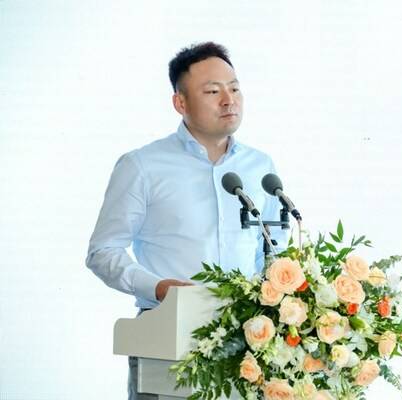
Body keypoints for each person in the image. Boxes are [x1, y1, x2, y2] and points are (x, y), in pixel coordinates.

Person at [86, 42, 287, 400]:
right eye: (212, 91)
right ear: (180, 103)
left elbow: (273, 249)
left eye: (234, 88)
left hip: (248, 345)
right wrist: (158, 287)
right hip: (169, 337)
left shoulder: (260, 167)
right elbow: (103, 251)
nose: (229, 100)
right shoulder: (142, 166)